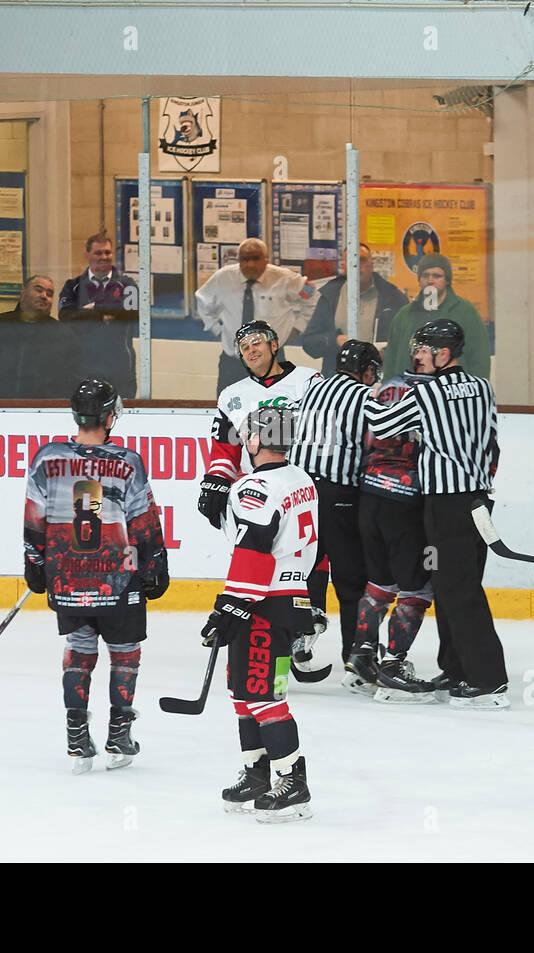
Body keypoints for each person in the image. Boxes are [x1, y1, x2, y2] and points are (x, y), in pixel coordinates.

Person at [23, 378, 169, 773]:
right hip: (118, 578)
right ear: (109, 416)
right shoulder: (126, 461)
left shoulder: (46, 457)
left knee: (79, 649)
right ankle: (119, 737)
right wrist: (155, 565)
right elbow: (143, 521)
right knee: (125, 653)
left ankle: (76, 740)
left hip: (68, 576)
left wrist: (35, 564)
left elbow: (34, 519)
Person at [365, 319, 507, 709]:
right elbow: (491, 439)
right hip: (478, 500)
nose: (417, 356)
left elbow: (380, 424)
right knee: (453, 587)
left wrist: (365, 394)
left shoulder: (426, 394)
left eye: (423, 349)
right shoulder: (482, 387)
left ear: (443, 354)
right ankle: (457, 667)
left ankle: (488, 679)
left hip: (445, 507)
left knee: (457, 591)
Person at [205, 406, 318, 822]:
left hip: (263, 604)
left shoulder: (254, 488)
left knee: (263, 695)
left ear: (253, 441)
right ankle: (257, 771)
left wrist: (232, 605)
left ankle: (292, 781)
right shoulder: (301, 480)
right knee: (243, 690)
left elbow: (254, 550)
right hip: (285, 600)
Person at [198, 321, 324, 636]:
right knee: (261, 553)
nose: (251, 350)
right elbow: (225, 450)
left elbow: (325, 432)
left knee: (307, 551)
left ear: (274, 344)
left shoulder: (309, 381)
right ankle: (264, 623)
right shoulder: (232, 395)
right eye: (244, 347)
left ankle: (309, 619)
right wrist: (216, 482)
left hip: (304, 484)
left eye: (257, 342)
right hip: (265, 490)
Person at [287, 339, 380, 671]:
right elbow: (377, 445)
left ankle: (293, 638)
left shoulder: (312, 390)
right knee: (351, 579)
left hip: (300, 493)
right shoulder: (365, 397)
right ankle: (355, 657)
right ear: (367, 372)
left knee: (301, 570)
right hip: (339, 496)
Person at [347, 363, 437, 703]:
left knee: (380, 582)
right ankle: (393, 665)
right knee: (418, 588)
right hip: (405, 500)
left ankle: (362, 652)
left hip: (369, 495)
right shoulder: (430, 393)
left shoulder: (384, 388)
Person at [195, 238, 314, 392]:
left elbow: (313, 296)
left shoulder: (285, 278)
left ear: (266, 260)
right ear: (238, 260)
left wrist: (298, 327)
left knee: (274, 408)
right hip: (233, 360)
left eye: (256, 259)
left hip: (272, 362)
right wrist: (217, 330)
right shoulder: (224, 277)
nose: (250, 264)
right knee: (229, 409)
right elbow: (203, 300)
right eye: (245, 259)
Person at [0, 275, 83, 400]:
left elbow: (73, 380)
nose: (44, 296)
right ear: (23, 293)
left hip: (45, 411)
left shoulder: (64, 337)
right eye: (38, 290)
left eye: (49, 293)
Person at [301, 244, 408, 374]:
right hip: (338, 377)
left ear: (371, 264)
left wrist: (386, 352)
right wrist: (335, 340)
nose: (357, 267)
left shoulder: (393, 296)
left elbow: (405, 339)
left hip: (377, 376)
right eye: (352, 261)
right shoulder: (330, 295)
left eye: (362, 260)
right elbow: (309, 343)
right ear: (343, 267)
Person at [381, 254, 489, 381]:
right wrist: (388, 388)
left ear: (447, 280)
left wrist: (474, 391)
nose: (430, 280)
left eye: (437, 276)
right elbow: (391, 359)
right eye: (425, 275)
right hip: (409, 393)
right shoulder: (404, 315)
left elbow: (480, 359)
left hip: (452, 394)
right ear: (419, 279)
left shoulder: (466, 313)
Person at [57, 233, 138, 399]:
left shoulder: (127, 284)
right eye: (98, 253)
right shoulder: (73, 286)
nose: (104, 257)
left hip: (120, 370)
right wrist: (108, 313)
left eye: (107, 253)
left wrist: (92, 310)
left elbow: (131, 316)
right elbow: (65, 318)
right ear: (87, 255)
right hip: (83, 370)